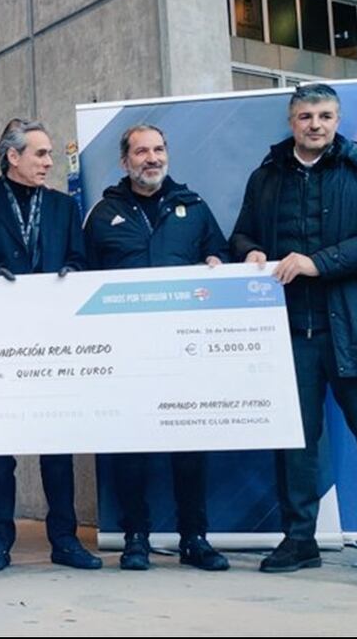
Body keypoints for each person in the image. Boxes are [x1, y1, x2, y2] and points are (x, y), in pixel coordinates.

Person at [230, 83, 357, 573]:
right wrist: (249, 251)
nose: (316, 125)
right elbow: (241, 233)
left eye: (325, 116)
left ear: (337, 119)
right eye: (306, 117)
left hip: (355, 329)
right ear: (291, 121)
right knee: (295, 443)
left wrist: (319, 262)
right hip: (290, 332)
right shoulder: (266, 175)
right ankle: (300, 541)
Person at [0, 118, 101, 573]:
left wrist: (72, 273)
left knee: (57, 448)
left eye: (50, 154)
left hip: (53, 342)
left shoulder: (63, 207)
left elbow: (79, 259)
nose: (49, 162)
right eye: (41, 153)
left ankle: (64, 540)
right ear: (12, 156)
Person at [83, 123, 229, 572]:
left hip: (183, 353)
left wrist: (218, 262)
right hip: (124, 354)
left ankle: (195, 539)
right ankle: (136, 539)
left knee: (189, 447)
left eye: (159, 149)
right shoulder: (102, 214)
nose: (152, 158)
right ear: (124, 161)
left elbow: (222, 257)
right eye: (142, 151)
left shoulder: (194, 207)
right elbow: (80, 280)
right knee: (130, 449)